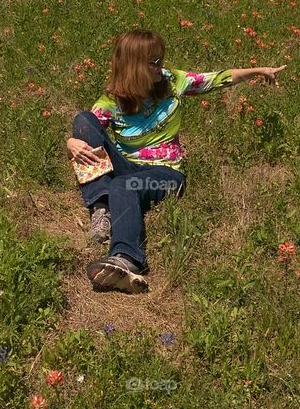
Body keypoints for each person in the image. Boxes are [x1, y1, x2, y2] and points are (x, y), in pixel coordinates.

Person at [67, 29, 285, 294]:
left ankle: (127, 260)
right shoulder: (112, 100)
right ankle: (102, 208)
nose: (161, 67)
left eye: (161, 60)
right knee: (83, 121)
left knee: (124, 186)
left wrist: (257, 71)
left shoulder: (172, 82)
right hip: (129, 165)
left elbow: (215, 79)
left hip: (165, 173)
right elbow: (91, 130)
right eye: (154, 62)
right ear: (133, 66)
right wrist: (71, 142)